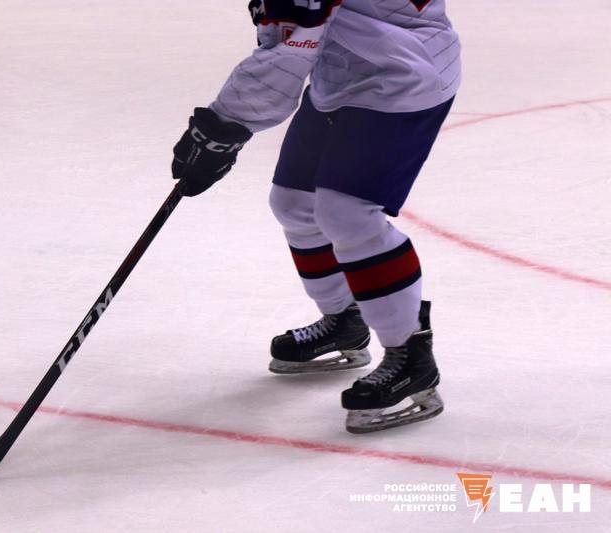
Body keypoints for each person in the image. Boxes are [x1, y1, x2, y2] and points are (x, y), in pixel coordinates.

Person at [171, 0, 460, 433]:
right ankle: (345, 320)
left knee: (348, 213)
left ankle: (411, 357)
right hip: (345, 71)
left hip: (404, 75)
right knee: (294, 202)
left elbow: (288, 51)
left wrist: (222, 127)